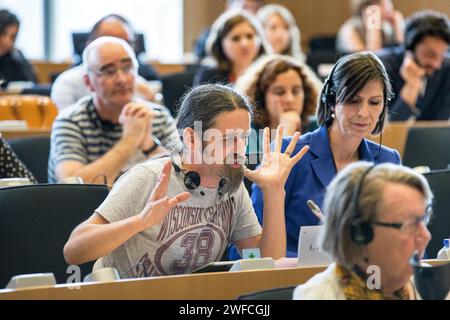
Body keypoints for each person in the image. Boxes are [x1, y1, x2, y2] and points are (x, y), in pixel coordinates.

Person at [63, 83, 309, 278]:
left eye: (243, 138)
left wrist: (274, 191)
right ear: (191, 138)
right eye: (227, 139)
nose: (239, 149)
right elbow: (74, 250)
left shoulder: (231, 184)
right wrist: (140, 221)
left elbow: (266, 260)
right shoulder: (149, 178)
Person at [251, 51, 401, 258]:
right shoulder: (288, 154)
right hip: (293, 279)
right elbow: (252, 245)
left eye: (374, 102)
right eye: (353, 101)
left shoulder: (388, 161)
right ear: (331, 101)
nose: (364, 113)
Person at [48, 37, 179, 186]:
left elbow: (185, 179)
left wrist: (150, 146)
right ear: (88, 82)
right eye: (109, 71)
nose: (122, 79)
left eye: (128, 68)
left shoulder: (156, 115)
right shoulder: (70, 121)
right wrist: (130, 140)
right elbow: (71, 188)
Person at [294, 162, 432, 299]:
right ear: (360, 233)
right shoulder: (317, 296)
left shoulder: (429, 286)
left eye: (424, 219)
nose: (426, 236)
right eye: (410, 224)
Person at [51, 14, 159, 111]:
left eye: (127, 43)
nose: (119, 48)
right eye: (110, 41)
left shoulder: (138, 82)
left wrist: (153, 99)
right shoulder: (68, 84)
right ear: (90, 44)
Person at [235, 54, 321, 154]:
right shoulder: (248, 132)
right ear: (261, 97)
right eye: (279, 92)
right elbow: (266, 169)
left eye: (296, 91)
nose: (289, 99)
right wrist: (286, 135)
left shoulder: (318, 127)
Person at [377, 10, 450, 121]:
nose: (437, 64)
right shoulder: (382, 66)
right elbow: (386, 132)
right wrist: (411, 88)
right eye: (430, 54)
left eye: (442, 54)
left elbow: (439, 127)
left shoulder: (447, 69)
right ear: (410, 48)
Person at [193, 10, 271, 86]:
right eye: (236, 38)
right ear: (220, 43)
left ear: (260, 39)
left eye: (249, 36)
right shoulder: (209, 76)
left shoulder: (270, 73)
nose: (244, 44)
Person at [193, 0, 265, 60]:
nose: (249, 12)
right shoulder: (211, 33)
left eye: (254, 8)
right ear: (228, 7)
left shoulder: (261, 34)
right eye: (244, 7)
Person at [336, 0, 404, 53]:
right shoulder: (349, 31)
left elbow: (402, 56)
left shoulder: (386, 28)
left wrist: (400, 30)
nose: (389, 7)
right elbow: (366, 66)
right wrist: (373, 29)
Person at [0, 9, 37, 89]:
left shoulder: (16, 56)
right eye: (3, 34)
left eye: (14, 37)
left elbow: (32, 84)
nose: (9, 42)